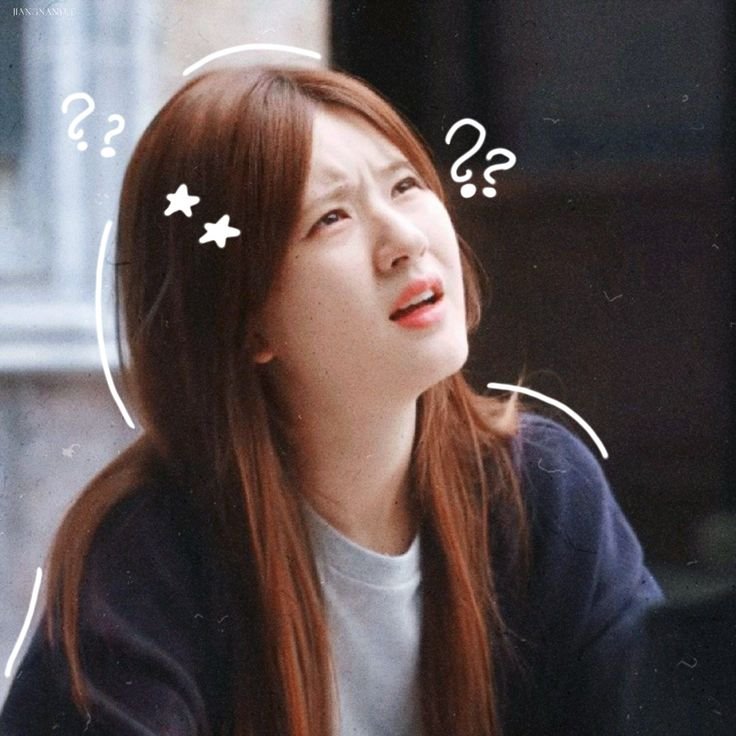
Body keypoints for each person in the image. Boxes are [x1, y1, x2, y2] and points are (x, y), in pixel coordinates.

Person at [0, 65, 662, 736]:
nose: (405, 241)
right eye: (332, 218)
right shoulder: (145, 559)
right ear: (246, 321)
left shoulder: (539, 490)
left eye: (405, 185)